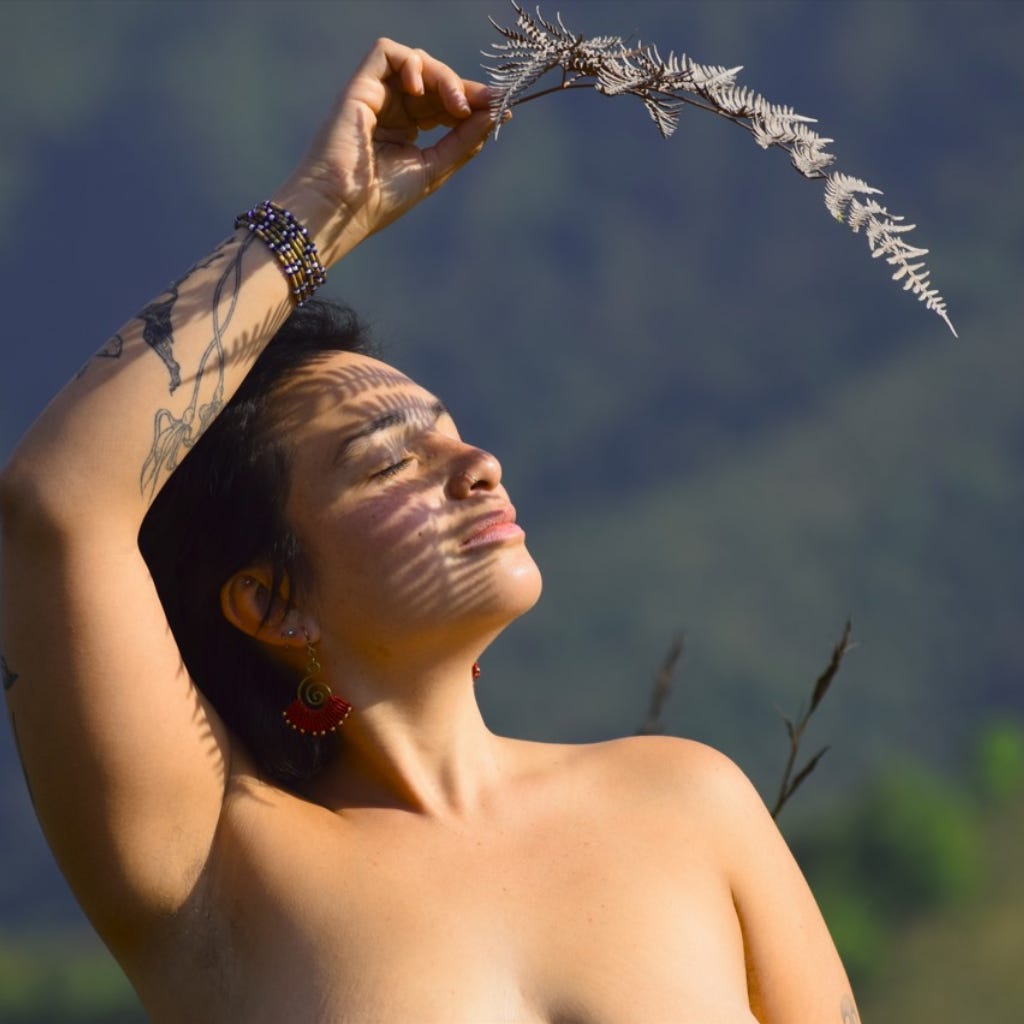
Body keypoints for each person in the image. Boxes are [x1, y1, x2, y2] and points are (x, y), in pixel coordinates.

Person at [0, 38, 859, 1024]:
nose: (477, 464)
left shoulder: (689, 802)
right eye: (386, 462)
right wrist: (322, 211)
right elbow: (57, 504)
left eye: (451, 433)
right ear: (270, 600)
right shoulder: (218, 866)